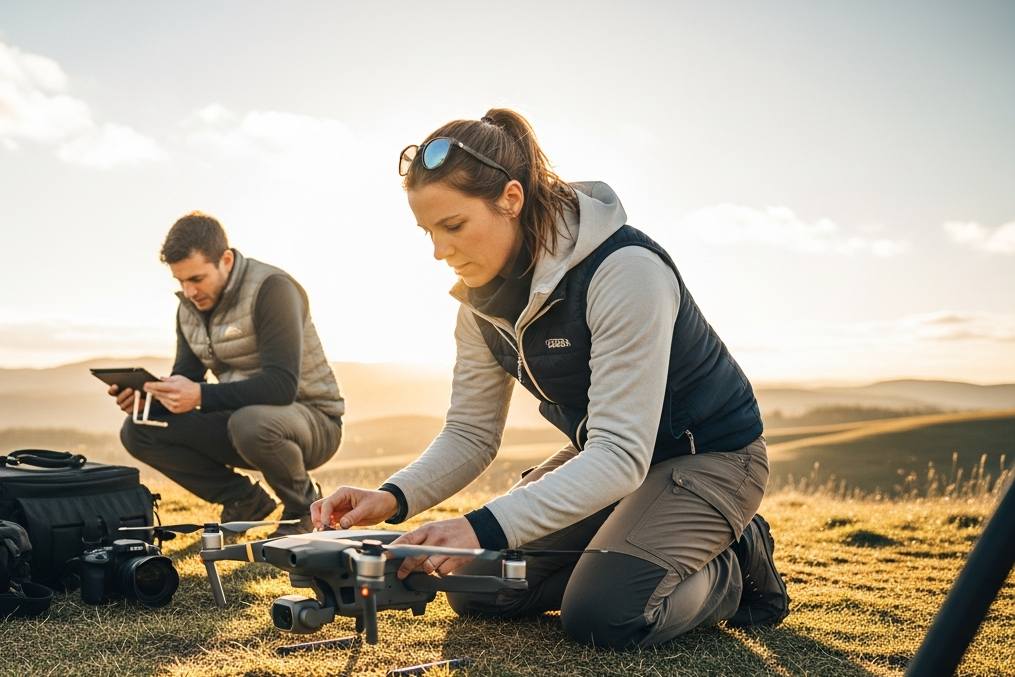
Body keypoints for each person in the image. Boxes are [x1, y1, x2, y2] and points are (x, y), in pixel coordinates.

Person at [310, 109, 789, 649]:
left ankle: (737, 560)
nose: (439, 252)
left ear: (511, 199)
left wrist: (482, 526)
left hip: (710, 461)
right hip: (611, 466)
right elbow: (470, 433)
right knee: (476, 586)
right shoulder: (478, 304)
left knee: (604, 613)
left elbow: (620, 453)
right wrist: (393, 497)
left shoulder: (624, 269)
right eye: (428, 231)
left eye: (454, 226)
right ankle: (627, 553)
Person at [113, 212, 344, 531]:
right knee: (138, 430)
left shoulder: (272, 289)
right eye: (181, 281)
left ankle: (303, 507)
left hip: (313, 421)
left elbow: (282, 386)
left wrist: (199, 395)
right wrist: (148, 397)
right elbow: (188, 378)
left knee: (249, 423)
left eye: (196, 279)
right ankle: (244, 499)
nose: (189, 291)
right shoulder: (190, 309)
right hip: (241, 421)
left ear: (225, 260)